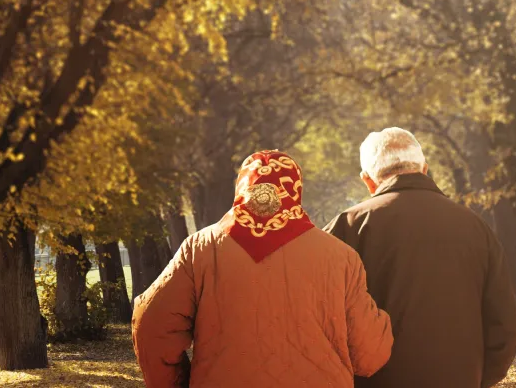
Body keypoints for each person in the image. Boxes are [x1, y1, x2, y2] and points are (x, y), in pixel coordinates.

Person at [132, 150, 393, 388]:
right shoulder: (341, 257)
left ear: (242, 187)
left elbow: (150, 325)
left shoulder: (199, 249)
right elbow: (370, 356)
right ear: (295, 190)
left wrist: (177, 382)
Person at [324, 128, 516, 388]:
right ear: (424, 169)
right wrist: (478, 379)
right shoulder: (475, 227)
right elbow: (504, 325)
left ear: (368, 180)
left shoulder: (347, 226)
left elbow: (319, 317)